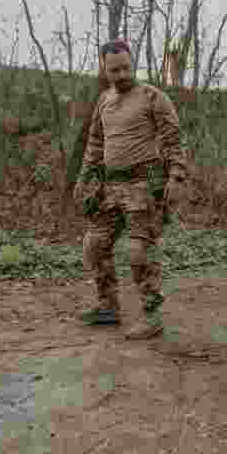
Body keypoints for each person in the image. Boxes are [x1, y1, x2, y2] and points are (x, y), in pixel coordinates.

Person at [73, 39, 189, 340]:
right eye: (114, 70)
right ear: (104, 69)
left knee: (139, 251)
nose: (121, 74)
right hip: (110, 186)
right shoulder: (104, 101)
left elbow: (174, 140)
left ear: (132, 62)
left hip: (144, 185)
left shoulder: (153, 97)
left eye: (126, 67)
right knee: (94, 245)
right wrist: (85, 179)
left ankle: (152, 317)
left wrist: (176, 179)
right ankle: (108, 306)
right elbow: (95, 145)